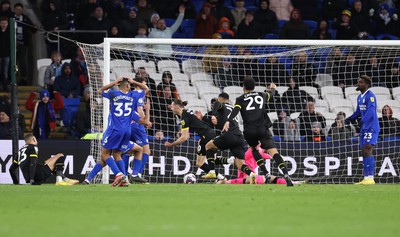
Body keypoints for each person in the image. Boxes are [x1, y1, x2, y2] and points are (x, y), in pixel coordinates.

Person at [222, 77, 294, 186]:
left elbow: (235, 110)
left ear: (243, 87)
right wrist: (273, 88)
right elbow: (272, 94)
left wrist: (228, 120)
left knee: (254, 150)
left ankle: (266, 173)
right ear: (254, 87)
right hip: (263, 129)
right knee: (274, 153)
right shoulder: (262, 95)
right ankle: (286, 174)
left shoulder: (240, 99)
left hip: (249, 131)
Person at [82, 77, 149, 186]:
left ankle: (119, 175)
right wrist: (134, 82)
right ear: (128, 86)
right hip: (127, 132)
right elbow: (145, 89)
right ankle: (123, 178)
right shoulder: (133, 96)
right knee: (117, 154)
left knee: (104, 155)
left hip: (114, 131)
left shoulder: (114, 95)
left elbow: (100, 91)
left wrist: (113, 82)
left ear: (118, 85)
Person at [164, 99, 225, 180]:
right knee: (204, 162)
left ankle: (224, 173)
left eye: (172, 106)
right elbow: (198, 124)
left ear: (177, 107)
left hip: (206, 136)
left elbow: (184, 137)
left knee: (203, 162)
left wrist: (172, 144)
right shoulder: (187, 113)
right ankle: (222, 177)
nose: (171, 108)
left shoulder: (184, 117)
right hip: (208, 134)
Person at [202, 92, 253, 180]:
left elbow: (217, 104)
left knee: (208, 146)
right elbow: (221, 124)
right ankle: (252, 174)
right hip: (239, 137)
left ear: (220, 99)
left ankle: (212, 172)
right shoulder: (233, 108)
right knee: (240, 164)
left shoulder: (223, 105)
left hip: (229, 135)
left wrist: (213, 115)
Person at [345, 75, 380, 185]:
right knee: (364, 151)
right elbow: (358, 112)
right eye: (358, 82)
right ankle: (366, 178)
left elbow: (370, 111)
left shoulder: (370, 96)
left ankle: (371, 178)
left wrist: (361, 122)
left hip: (371, 126)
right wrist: (350, 119)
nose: (358, 84)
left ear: (366, 84)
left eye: (360, 82)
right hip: (365, 127)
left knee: (368, 149)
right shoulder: (360, 97)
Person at [9, 133, 78, 185]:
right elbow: (32, 162)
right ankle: (59, 181)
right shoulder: (33, 147)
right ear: (33, 139)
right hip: (36, 176)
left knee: (47, 163)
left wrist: (16, 183)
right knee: (60, 155)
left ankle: (65, 179)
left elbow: (11, 169)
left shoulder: (20, 151)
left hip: (28, 178)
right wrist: (32, 179)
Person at [122, 77, 151, 183]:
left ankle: (124, 176)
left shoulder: (128, 94)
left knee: (127, 151)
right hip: (137, 126)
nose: (145, 85)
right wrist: (145, 120)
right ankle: (136, 174)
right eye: (144, 83)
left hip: (127, 125)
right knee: (146, 150)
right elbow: (139, 110)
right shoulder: (139, 93)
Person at [0, 16, 10, 92]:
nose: (4, 24)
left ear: (8, 24)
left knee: (5, 72)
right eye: (2, 23)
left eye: (5, 23)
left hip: (7, 54)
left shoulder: (10, 31)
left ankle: (5, 86)